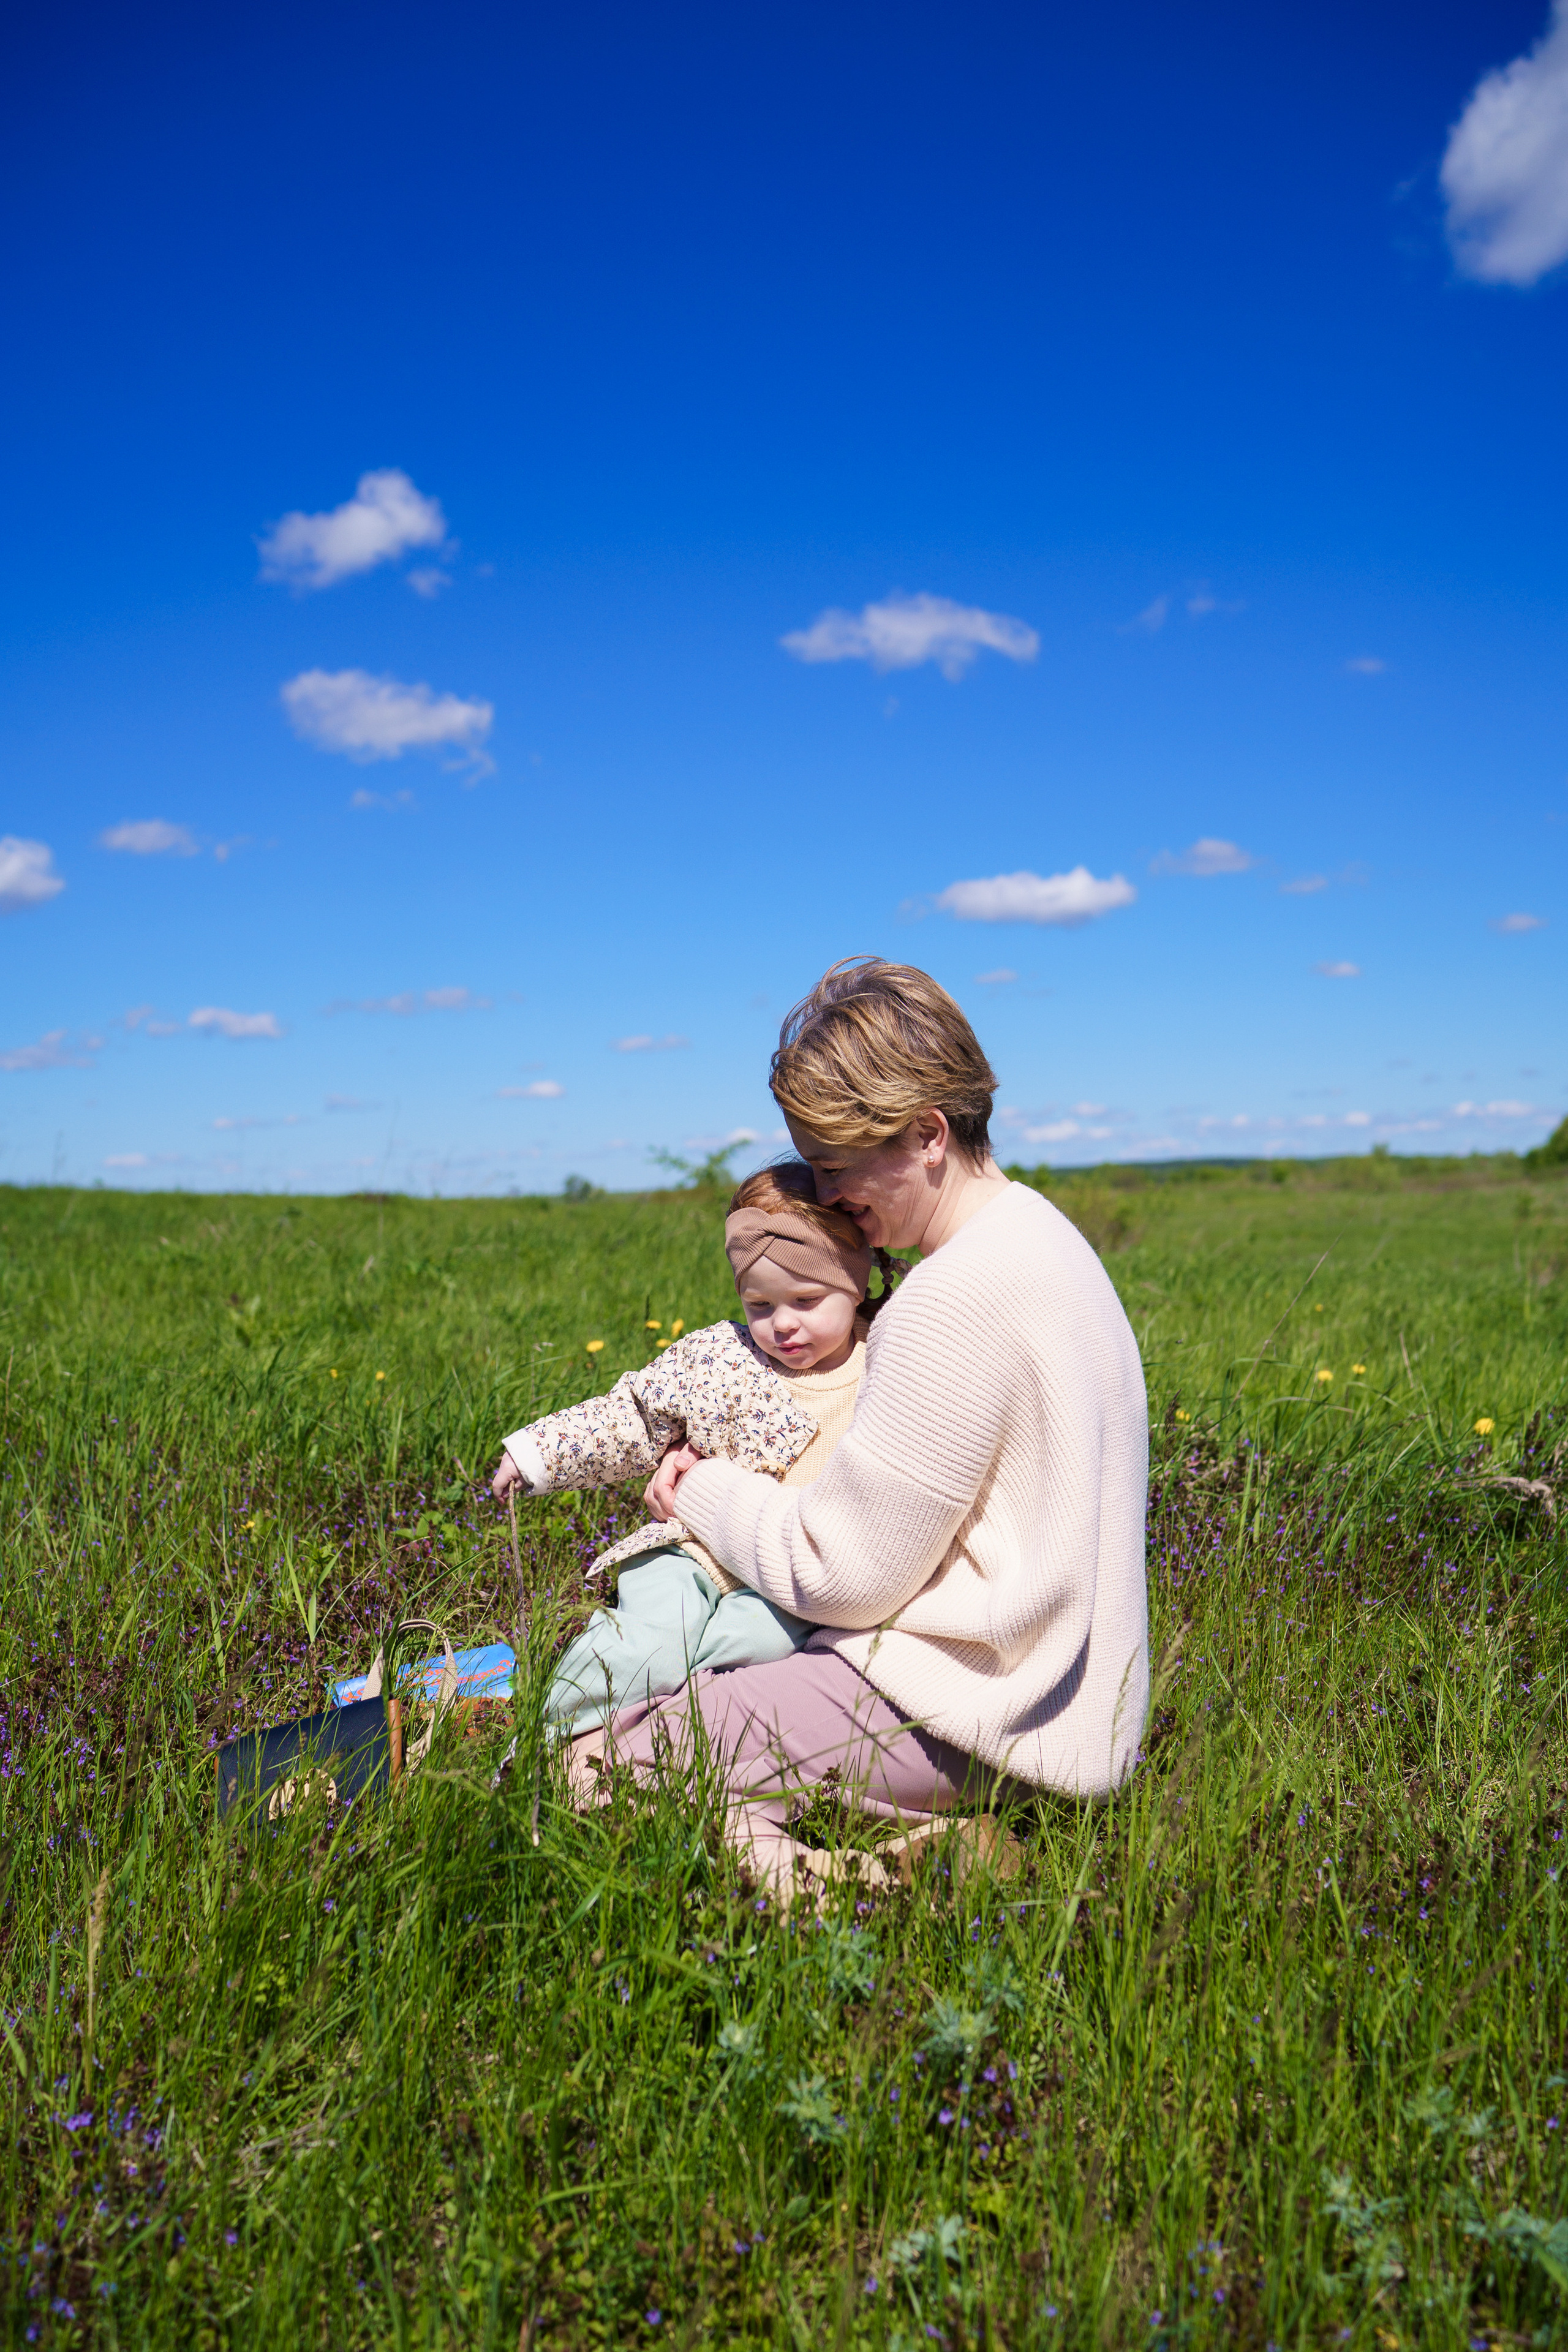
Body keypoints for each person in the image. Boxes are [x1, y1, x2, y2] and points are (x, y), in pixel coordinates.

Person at [581, 955, 1151, 1893]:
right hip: (1069, 1716)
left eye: (837, 1162)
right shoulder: (1051, 1242)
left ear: (927, 1133)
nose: (824, 1189)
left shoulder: (949, 1298)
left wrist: (704, 1491)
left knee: (593, 1762)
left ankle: (846, 1889)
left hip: (962, 1711)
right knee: (698, 1751)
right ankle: (895, 1859)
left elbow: (843, 1575)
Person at [491, 1164, 898, 1733]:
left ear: (854, 1286)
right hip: (690, 1552)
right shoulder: (720, 1357)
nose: (782, 1324)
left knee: (758, 1649)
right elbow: (633, 1416)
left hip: (790, 1583)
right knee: (649, 1643)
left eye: (807, 1299)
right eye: (760, 1304)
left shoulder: (886, 1364)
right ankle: (547, 1737)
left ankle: (670, 1727)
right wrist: (537, 1454)